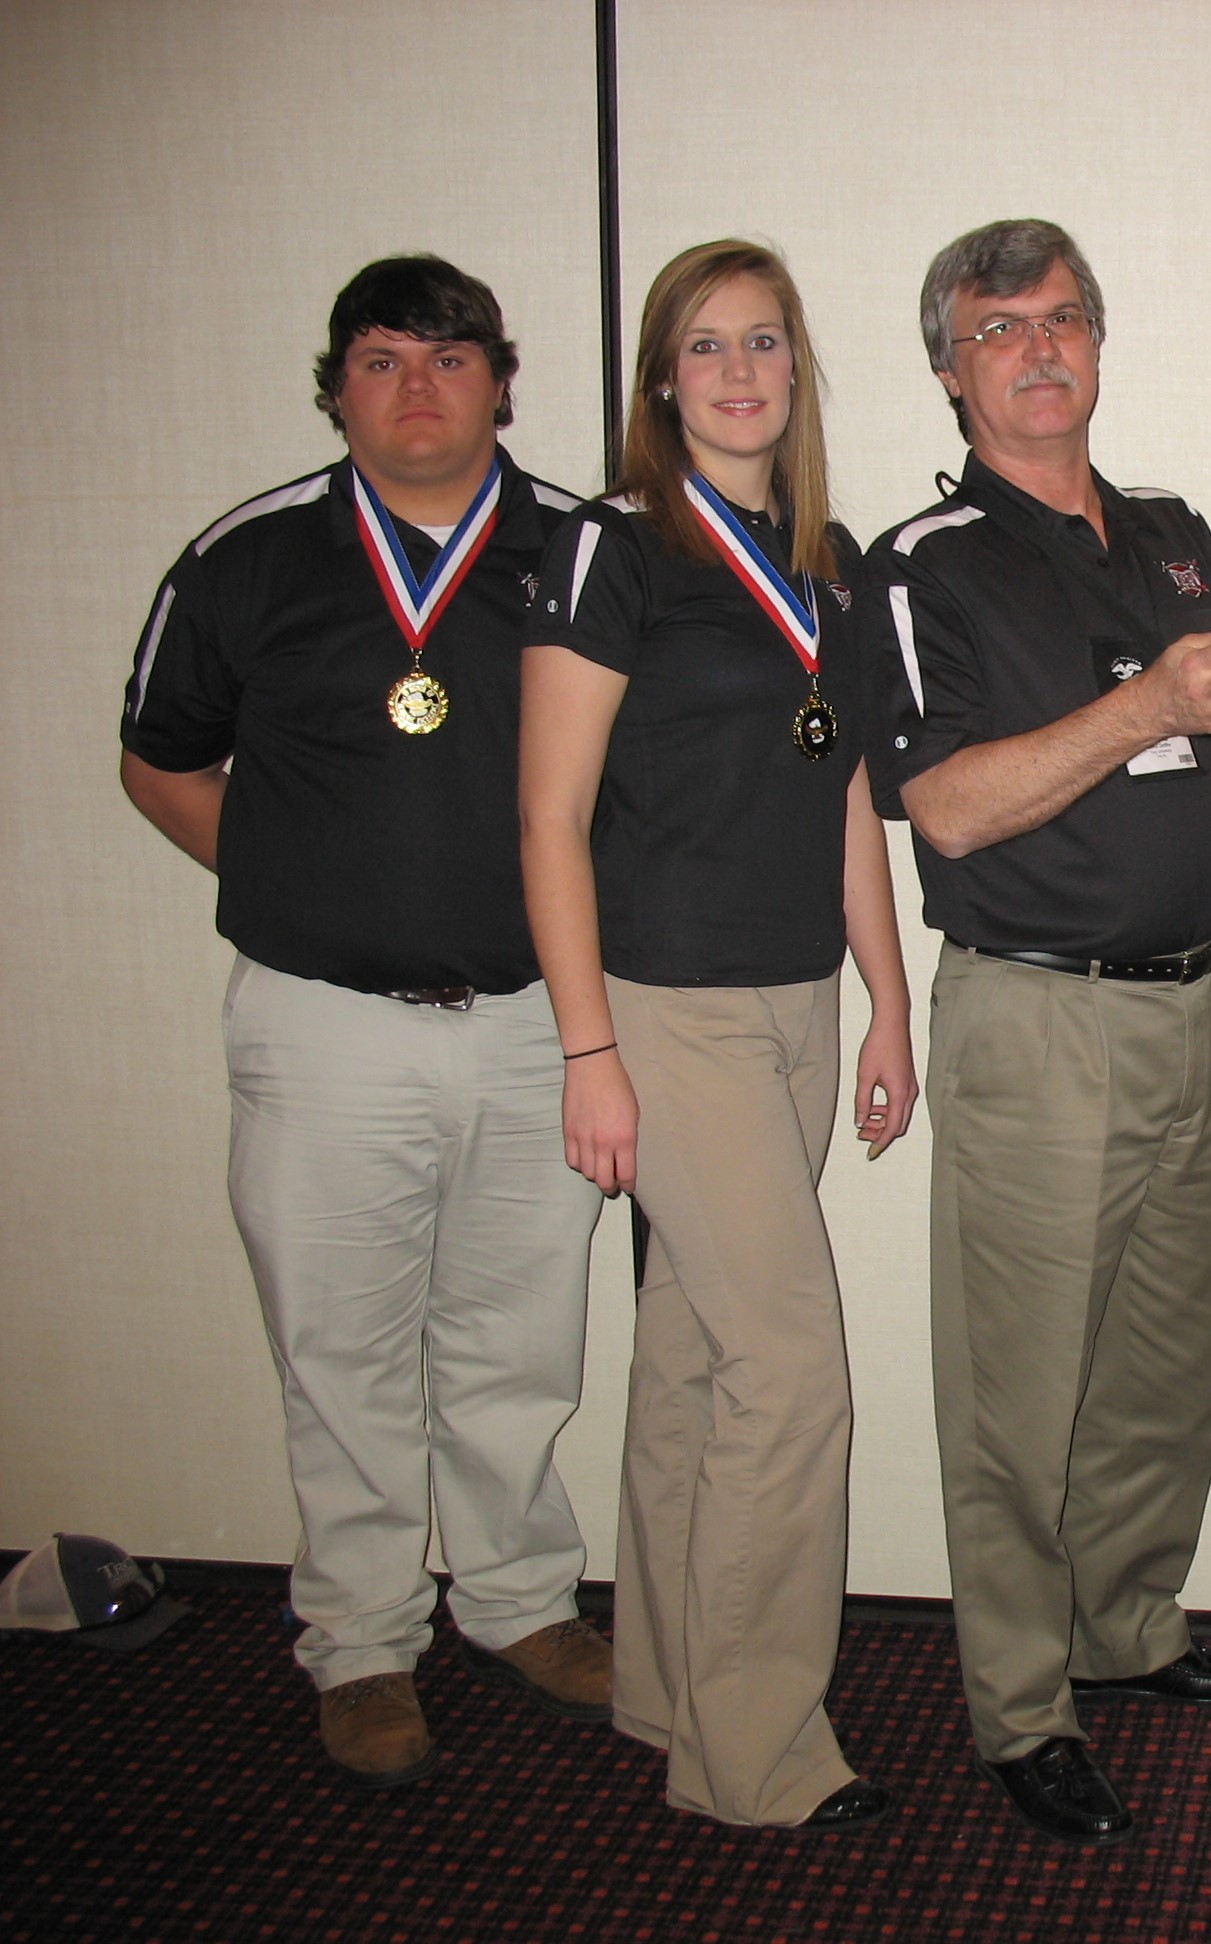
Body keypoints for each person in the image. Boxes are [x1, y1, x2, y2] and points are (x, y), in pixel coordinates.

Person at [118, 256, 609, 1787]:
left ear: (502, 382)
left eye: (450, 358)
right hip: (323, 1028)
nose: (418, 388)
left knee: (516, 1346)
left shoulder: (585, 553)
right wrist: (303, 881)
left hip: (540, 1023)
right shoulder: (250, 558)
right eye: (382, 360)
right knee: (340, 1353)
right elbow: (160, 761)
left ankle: (521, 1604)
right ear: (337, 386)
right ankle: (363, 1641)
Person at [856, 218, 1211, 1848]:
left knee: (1161, 1372)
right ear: (951, 365)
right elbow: (950, 811)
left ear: (1100, 345)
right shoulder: (922, 566)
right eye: (1000, 329)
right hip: (1033, 1021)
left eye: (1065, 320)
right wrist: (1156, 708)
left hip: (1189, 1002)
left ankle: (1129, 1625)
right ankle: (1019, 1704)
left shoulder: (1174, 535)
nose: (1040, 349)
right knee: (1018, 1393)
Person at [519, 239, 918, 1833]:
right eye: (704, 347)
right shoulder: (613, 545)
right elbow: (548, 818)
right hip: (663, 1007)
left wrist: (886, 997)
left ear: (797, 369)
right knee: (794, 1366)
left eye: (766, 342)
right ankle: (754, 1756)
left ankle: (666, 1690)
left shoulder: (817, 558)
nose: (740, 372)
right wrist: (585, 1050)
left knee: (694, 1350)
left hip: (794, 999)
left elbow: (841, 794)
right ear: (659, 381)